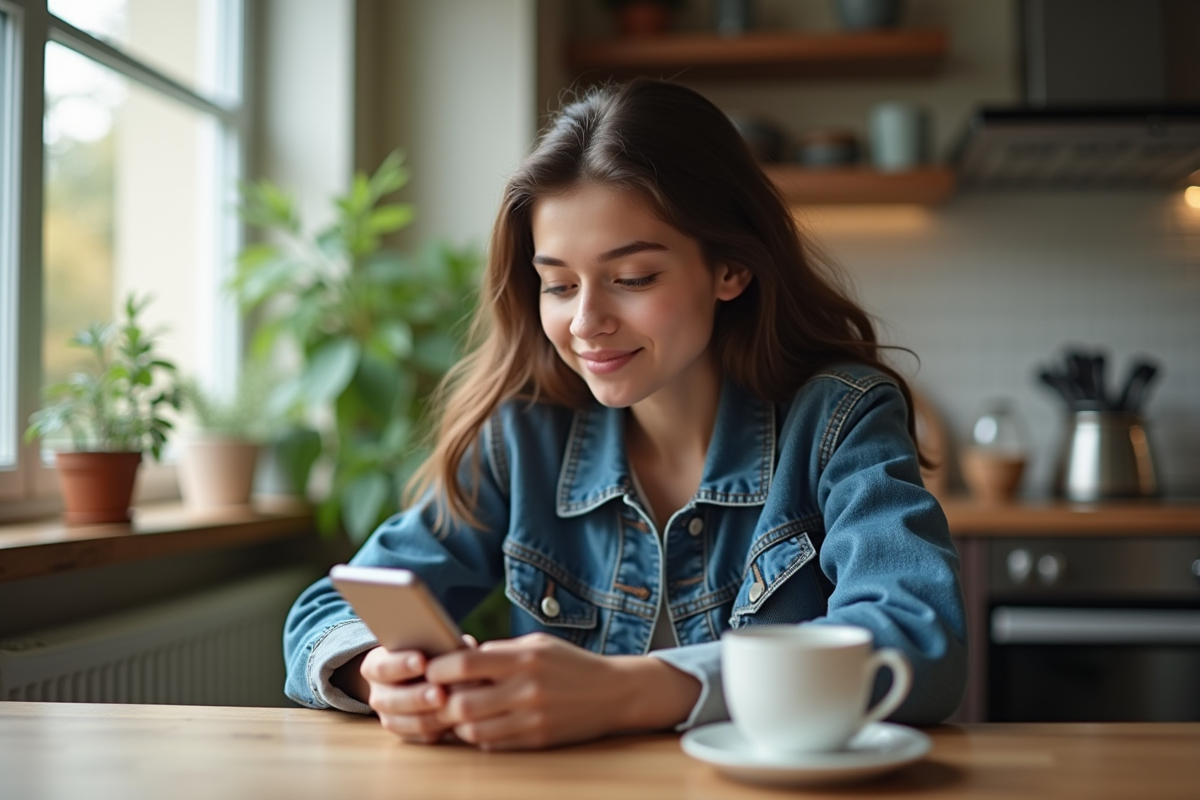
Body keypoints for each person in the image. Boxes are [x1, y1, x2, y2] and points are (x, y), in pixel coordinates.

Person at [283, 78, 967, 751]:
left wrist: (625, 691)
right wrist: (377, 675)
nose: (586, 323)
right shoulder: (523, 434)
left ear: (730, 267)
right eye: (557, 284)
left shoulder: (839, 419)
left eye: (633, 278)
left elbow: (919, 643)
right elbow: (327, 612)